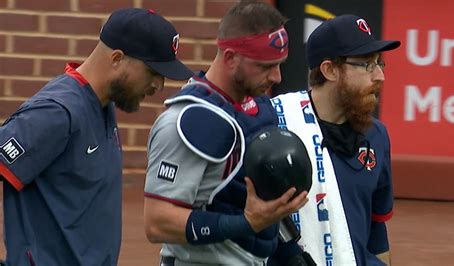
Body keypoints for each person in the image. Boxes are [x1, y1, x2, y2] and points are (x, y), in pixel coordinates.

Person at [0, 8, 193, 266]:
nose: (158, 85)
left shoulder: (102, 104)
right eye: (152, 72)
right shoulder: (57, 111)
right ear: (116, 58)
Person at [143, 1, 309, 265]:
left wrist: (291, 254)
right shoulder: (189, 120)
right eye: (265, 66)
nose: (277, 77)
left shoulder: (258, 107)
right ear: (231, 58)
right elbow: (158, 222)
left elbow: (258, 203)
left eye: (280, 65)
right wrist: (245, 223)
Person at [269, 14, 400, 266]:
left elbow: (376, 231)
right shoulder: (277, 125)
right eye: (366, 65)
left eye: (379, 63)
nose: (380, 77)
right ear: (329, 70)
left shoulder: (377, 136)